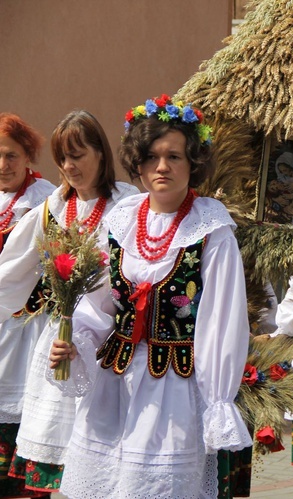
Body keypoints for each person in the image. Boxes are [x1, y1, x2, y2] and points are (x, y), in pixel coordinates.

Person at [47, 95, 252, 498]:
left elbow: (221, 324)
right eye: (152, 157)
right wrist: (77, 342)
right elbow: (101, 298)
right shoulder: (122, 218)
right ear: (137, 163)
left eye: (174, 156)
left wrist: (218, 401)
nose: (162, 167)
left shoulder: (211, 229)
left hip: (173, 387)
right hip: (114, 383)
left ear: (193, 163)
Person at [0, 110, 137, 495]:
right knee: (59, 465)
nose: (69, 166)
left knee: (106, 464)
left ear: (100, 153)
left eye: (77, 155)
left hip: (111, 350)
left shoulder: (128, 206)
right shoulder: (53, 209)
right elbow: (9, 275)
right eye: (62, 158)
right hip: (60, 346)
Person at [0, 113, 56, 498]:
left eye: (11, 156)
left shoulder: (47, 202)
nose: (3, 165)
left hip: (26, 329)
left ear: (28, 157)